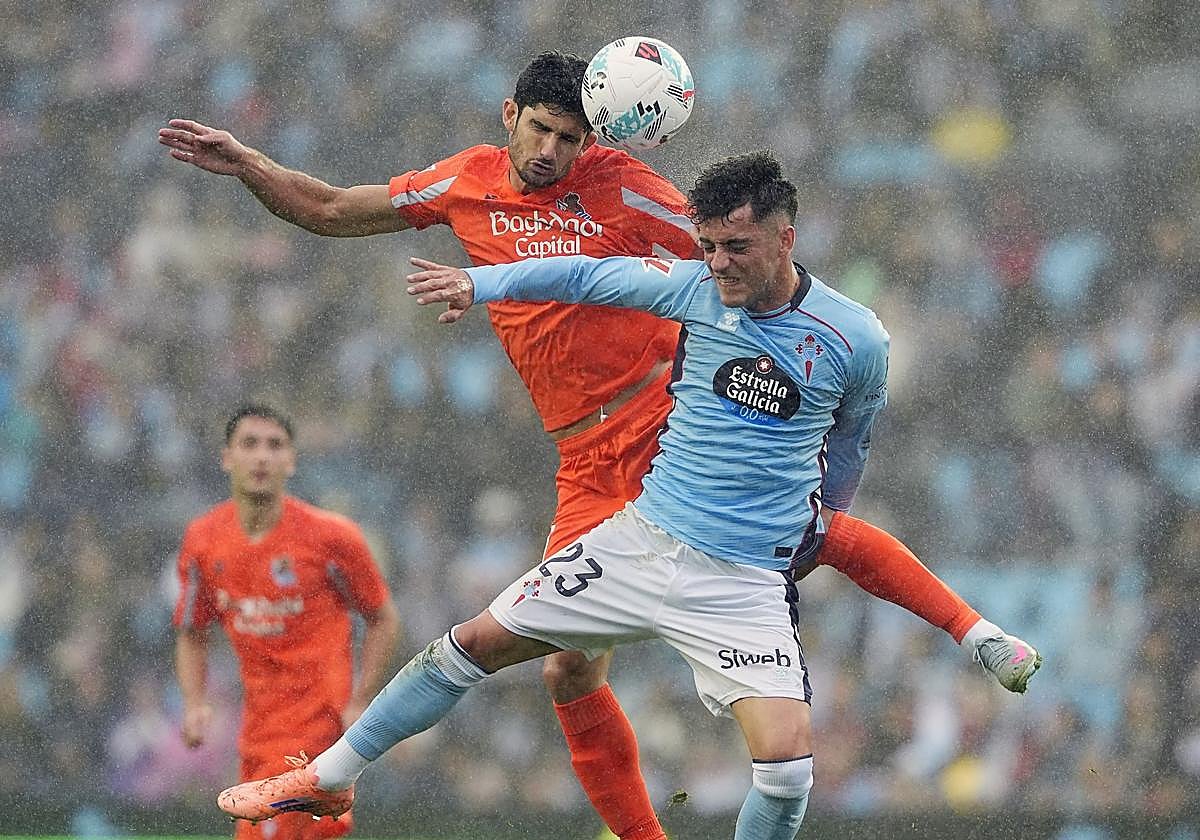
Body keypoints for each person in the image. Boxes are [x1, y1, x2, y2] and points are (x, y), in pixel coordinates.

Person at [160, 52, 1036, 840]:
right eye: (540, 129)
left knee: (813, 528)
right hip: (583, 457)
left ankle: (975, 631)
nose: (551, 151)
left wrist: (809, 326)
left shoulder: (620, 184)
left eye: (571, 137)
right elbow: (331, 208)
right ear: (509, 117)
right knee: (568, 670)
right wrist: (250, 167)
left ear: (596, 136)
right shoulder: (462, 185)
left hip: (668, 421)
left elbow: (721, 252)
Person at [174, 404, 402, 840]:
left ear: (292, 460)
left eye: (275, 445)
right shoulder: (203, 540)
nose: (262, 456)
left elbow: (383, 618)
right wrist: (194, 702)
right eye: (250, 444)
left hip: (318, 730)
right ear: (226, 457)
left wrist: (361, 700)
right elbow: (191, 631)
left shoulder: (332, 538)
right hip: (257, 732)